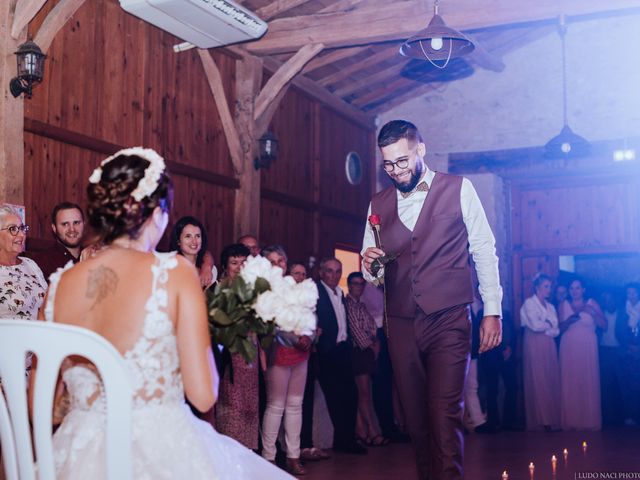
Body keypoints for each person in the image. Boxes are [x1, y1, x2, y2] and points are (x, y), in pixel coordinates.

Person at [43, 147, 292, 479]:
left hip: (78, 457)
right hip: (156, 450)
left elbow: (42, 399)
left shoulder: (60, 284)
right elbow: (203, 397)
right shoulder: (173, 272)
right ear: (156, 212)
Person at [361, 120, 502, 480]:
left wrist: (493, 311)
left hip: (449, 318)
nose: (395, 171)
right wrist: (371, 266)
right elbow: (373, 272)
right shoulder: (377, 203)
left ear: (420, 149)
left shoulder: (459, 188)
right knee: (416, 420)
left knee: (444, 413)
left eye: (402, 161)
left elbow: (484, 249)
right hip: (402, 322)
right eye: (388, 165)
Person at [260, 247, 314, 476]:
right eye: (272, 261)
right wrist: (295, 338)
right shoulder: (264, 289)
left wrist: (309, 336)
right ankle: (268, 457)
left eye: (281, 260)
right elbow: (270, 324)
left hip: (301, 351)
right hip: (278, 349)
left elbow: (310, 313)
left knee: (295, 405)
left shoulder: (295, 286)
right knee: (276, 405)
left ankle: (293, 455)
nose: (278, 264)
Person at [315, 257, 367, 455]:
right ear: (321, 272)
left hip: (344, 350)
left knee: (351, 396)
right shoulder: (316, 293)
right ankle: (343, 441)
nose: (334, 275)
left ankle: (347, 439)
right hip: (327, 351)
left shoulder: (340, 293)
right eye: (329, 270)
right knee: (336, 397)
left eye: (338, 271)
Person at [215, 243, 262, 450]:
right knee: (232, 412)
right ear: (225, 266)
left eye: (244, 262)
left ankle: (248, 460)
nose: (239, 266)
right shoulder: (220, 289)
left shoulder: (253, 289)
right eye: (234, 262)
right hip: (229, 360)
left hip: (250, 360)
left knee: (251, 411)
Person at [345, 271, 388, 447]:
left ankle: (361, 431)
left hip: (368, 351)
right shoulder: (348, 305)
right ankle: (372, 431)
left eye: (361, 284)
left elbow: (372, 328)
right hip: (358, 352)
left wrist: (374, 343)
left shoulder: (361, 305)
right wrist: (372, 344)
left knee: (365, 393)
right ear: (349, 285)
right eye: (355, 284)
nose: (359, 287)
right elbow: (357, 332)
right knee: (363, 394)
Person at [559, 278, 605, 431]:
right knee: (570, 382)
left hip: (587, 347)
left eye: (577, 288)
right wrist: (569, 321)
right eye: (571, 288)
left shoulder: (592, 303)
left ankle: (588, 421)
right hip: (568, 347)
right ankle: (570, 421)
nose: (574, 291)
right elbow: (559, 328)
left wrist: (593, 313)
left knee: (587, 380)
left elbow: (604, 325)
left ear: (583, 290)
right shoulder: (563, 304)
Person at [520, 273, 561, 431]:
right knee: (538, 379)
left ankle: (550, 418)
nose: (549, 290)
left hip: (549, 344)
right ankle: (540, 419)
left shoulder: (551, 307)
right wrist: (548, 324)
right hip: (534, 343)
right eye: (546, 286)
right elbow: (535, 326)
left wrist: (548, 325)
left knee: (549, 378)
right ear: (537, 287)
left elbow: (556, 330)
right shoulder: (529, 303)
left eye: (550, 287)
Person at [0, 204, 47, 320]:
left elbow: (48, 303)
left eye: (22, 228)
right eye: (13, 229)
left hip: (41, 334)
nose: (21, 235)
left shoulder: (30, 264)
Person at [27, 202, 84, 280]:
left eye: (76, 223)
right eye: (65, 224)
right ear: (54, 228)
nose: (72, 229)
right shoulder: (42, 262)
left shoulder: (94, 255)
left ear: (84, 224)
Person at [169, 216, 217, 289]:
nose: (194, 241)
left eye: (197, 236)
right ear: (178, 241)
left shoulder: (210, 269)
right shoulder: (171, 267)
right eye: (188, 236)